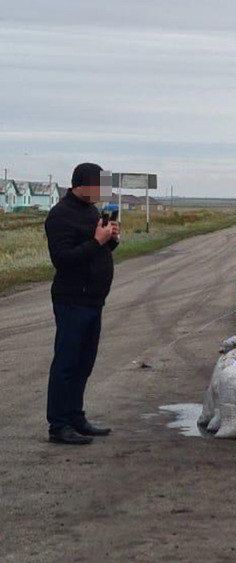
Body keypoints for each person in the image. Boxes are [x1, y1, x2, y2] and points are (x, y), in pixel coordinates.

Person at [44, 163, 119, 445]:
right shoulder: (60, 216)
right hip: (71, 299)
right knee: (67, 363)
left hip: (94, 299)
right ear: (82, 184)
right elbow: (62, 259)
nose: (102, 192)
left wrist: (110, 239)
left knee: (84, 362)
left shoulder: (91, 212)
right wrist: (97, 241)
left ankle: (76, 417)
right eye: (99, 185)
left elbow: (97, 248)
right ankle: (58, 425)